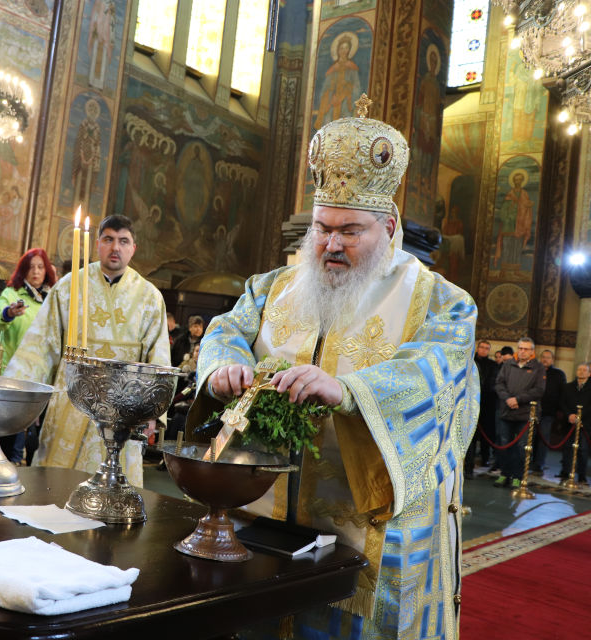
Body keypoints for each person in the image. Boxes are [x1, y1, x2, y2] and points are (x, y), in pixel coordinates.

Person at [194, 100, 478, 639]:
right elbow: (225, 329)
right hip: (266, 517)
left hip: (376, 530)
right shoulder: (273, 286)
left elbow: (431, 373)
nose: (331, 244)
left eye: (350, 231)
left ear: (388, 226)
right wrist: (223, 365)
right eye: (322, 228)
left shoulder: (442, 302)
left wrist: (349, 391)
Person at [5, 215, 170, 487]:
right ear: (97, 244)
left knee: (113, 495)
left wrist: (152, 413)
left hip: (123, 411)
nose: (115, 247)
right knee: (55, 489)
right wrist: (21, 399)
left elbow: (158, 360)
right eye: (108, 239)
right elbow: (40, 347)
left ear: (133, 248)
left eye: (123, 241)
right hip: (70, 405)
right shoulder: (69, 287)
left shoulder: (150, 297)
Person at [0, 248, 57, 464]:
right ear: (23, 270)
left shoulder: (53, 298)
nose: (35, 272)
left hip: (44, 377)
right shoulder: (12, 294)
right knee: (9, 436)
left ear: (46, 270)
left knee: (38, 439)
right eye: (30, 267)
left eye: (40, 267)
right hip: (15, 377)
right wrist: (9, 313)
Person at [493, 337, 545, 488]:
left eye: (526, 349)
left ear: (532, 351)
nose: (522, 351)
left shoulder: (538, 367)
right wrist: (508, 399)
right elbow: (499, 383)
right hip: (506, 411)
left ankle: (517, 476)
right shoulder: (508, 364)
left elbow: (539, 390)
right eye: (520, 348)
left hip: (525, 414)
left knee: (522, 447)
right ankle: (504, 474)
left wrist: (518, 399)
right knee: (504, 444)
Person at [558, 363, 591, 485]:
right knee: (567, 448)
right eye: (579, 369)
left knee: (583, 449)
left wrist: (580, 416)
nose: (581, 372)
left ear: (589, 373)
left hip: (584, 424)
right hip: (569, 423)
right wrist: (569, 415)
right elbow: (562, 403)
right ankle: (565, 472)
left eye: (584, 370)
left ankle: (582, 476)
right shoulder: (568, 386)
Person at [465, 339, 497, 478]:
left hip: (486, 405)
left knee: (486, 435)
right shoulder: (470, 362)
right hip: (471, 405)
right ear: (478, 348)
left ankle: (485, 459)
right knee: (471, 437)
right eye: (482, 347)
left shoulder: (493, 365)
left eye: (486, 348)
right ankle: (468, 467)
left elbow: (492, 384)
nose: (483, 350)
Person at [533, 349, 565, 474]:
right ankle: (529, 461)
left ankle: (539, 464)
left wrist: (560, 410)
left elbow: (562, 393)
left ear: (552, 360)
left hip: (548, 412)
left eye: (548, 357)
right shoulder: (535, 370)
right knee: (531, 438)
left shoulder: (559, 374)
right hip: (532, 411)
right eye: (543, 357)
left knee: (543, 439)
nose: (545, 359)